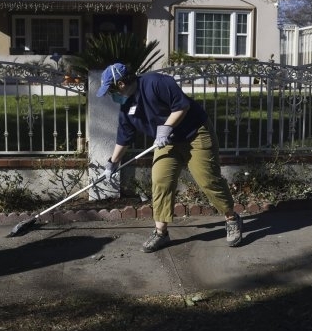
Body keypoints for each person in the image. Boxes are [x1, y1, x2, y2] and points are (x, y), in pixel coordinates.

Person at [97, 62, 243, 253]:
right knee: (160, 181)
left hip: (195, 133)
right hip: (166, 142)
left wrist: (165, 129)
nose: (110, 94)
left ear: (121, 83)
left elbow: (181, 105)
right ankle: (161, 233)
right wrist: (112, 163)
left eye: (110, 89)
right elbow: (124, 137)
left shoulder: (155, 83)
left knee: (207, 180)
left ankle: (232, 218)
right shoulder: (127, 108)